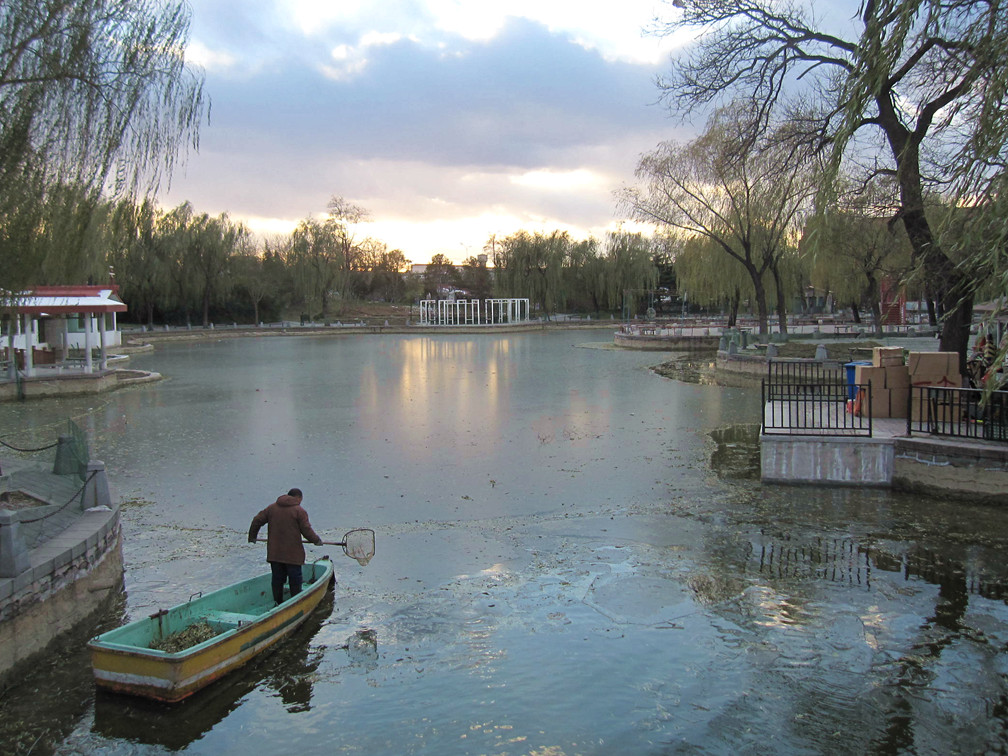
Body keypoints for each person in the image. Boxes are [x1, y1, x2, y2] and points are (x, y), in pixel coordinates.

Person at [248, 488, 323, 605]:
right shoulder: (299, 511)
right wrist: (316, 540)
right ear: (299, 498)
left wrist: (252, 536)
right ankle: (296, 604)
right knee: (295, 580)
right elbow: (306, 529)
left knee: (277, 579)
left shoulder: (271, 508)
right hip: (292, 555)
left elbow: (257, 520)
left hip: (275, 553)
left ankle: (277, 602)